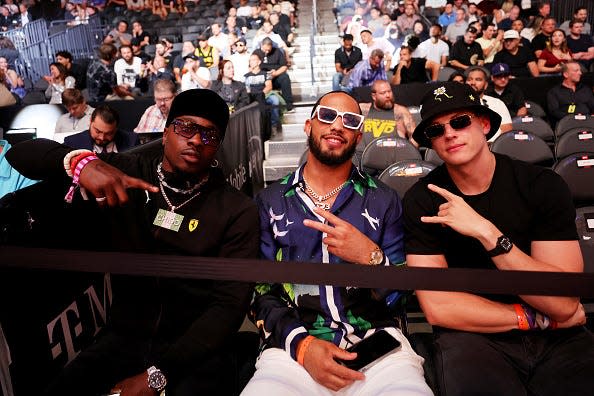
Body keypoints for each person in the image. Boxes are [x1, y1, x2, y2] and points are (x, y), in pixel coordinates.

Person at [6, 89, 260, 396]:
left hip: (197, 349)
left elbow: (229, 307)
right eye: (186, 127)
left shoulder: (237, 209)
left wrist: (157, 377)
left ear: (217, 146)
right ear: (166, 133)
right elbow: (20, 154)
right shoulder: (125, 171)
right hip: (123, 337)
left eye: (209, 134)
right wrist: (81, 164)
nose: (195, 139)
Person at [403, 80, 594, 396]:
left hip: (560, 340)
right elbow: (439, 307)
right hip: (471, 338)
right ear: (431, 143)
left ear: (484, 123)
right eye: (436, 130)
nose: (449, 133)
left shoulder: (542, 185)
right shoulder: (422, 199)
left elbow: (562, 302)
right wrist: (532, 318)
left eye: (460, 121)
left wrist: (487, 232)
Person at [241, 90, 432, 396]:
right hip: (292, 350)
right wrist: (303, 346)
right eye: (327, 116)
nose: (337, 125)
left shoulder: (385, 201)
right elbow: (261, 294)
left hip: (377, 349)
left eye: (350, 120)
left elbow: (401, 296)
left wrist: (372, 257)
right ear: (308, 125)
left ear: (358, 136)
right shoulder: (270, 201)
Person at [355, 79, 417, 166]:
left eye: (389, 91)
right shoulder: (362, 109)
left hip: (392, 162)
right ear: (374, 96)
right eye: (383, 93)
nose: (388, 95)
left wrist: (406, 157)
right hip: (361, 161)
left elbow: (415, 137)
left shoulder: (400, 111)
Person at [465, 66, 512, 142]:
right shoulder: (458, 103)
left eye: (478, 79)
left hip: (494, 147)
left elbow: (507, 129)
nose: (473, 83)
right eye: (469, 79)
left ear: (486, 85)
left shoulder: (497, 103)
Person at [64, 105, 139, 153]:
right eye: (97, 131)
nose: (102, 137)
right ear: (90, 121)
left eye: (109, 133)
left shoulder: (132, 141)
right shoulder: (72, 144)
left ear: (116, 128)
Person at [244, 52, 282, 137]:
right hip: (252, 97)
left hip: (264, 95)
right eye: (250, 60)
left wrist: (261, 94)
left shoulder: (265, 74)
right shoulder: (246, 76)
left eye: (253, 60)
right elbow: (246, 89)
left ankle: (273, 125)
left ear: (259, 62)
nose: (251, 62)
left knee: (275, 100)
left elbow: (269, 86)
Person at [253, 37, 294, 112]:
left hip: (275, 76)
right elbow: (252, 67)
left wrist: (275, 73)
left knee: (285, 78)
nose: (267, 51)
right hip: (262, 77)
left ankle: (288, 105)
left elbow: (284, 66)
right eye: (265, 50)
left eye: (269, 49)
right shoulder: (256, 53)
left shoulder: (277, 51)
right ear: (261, 45)